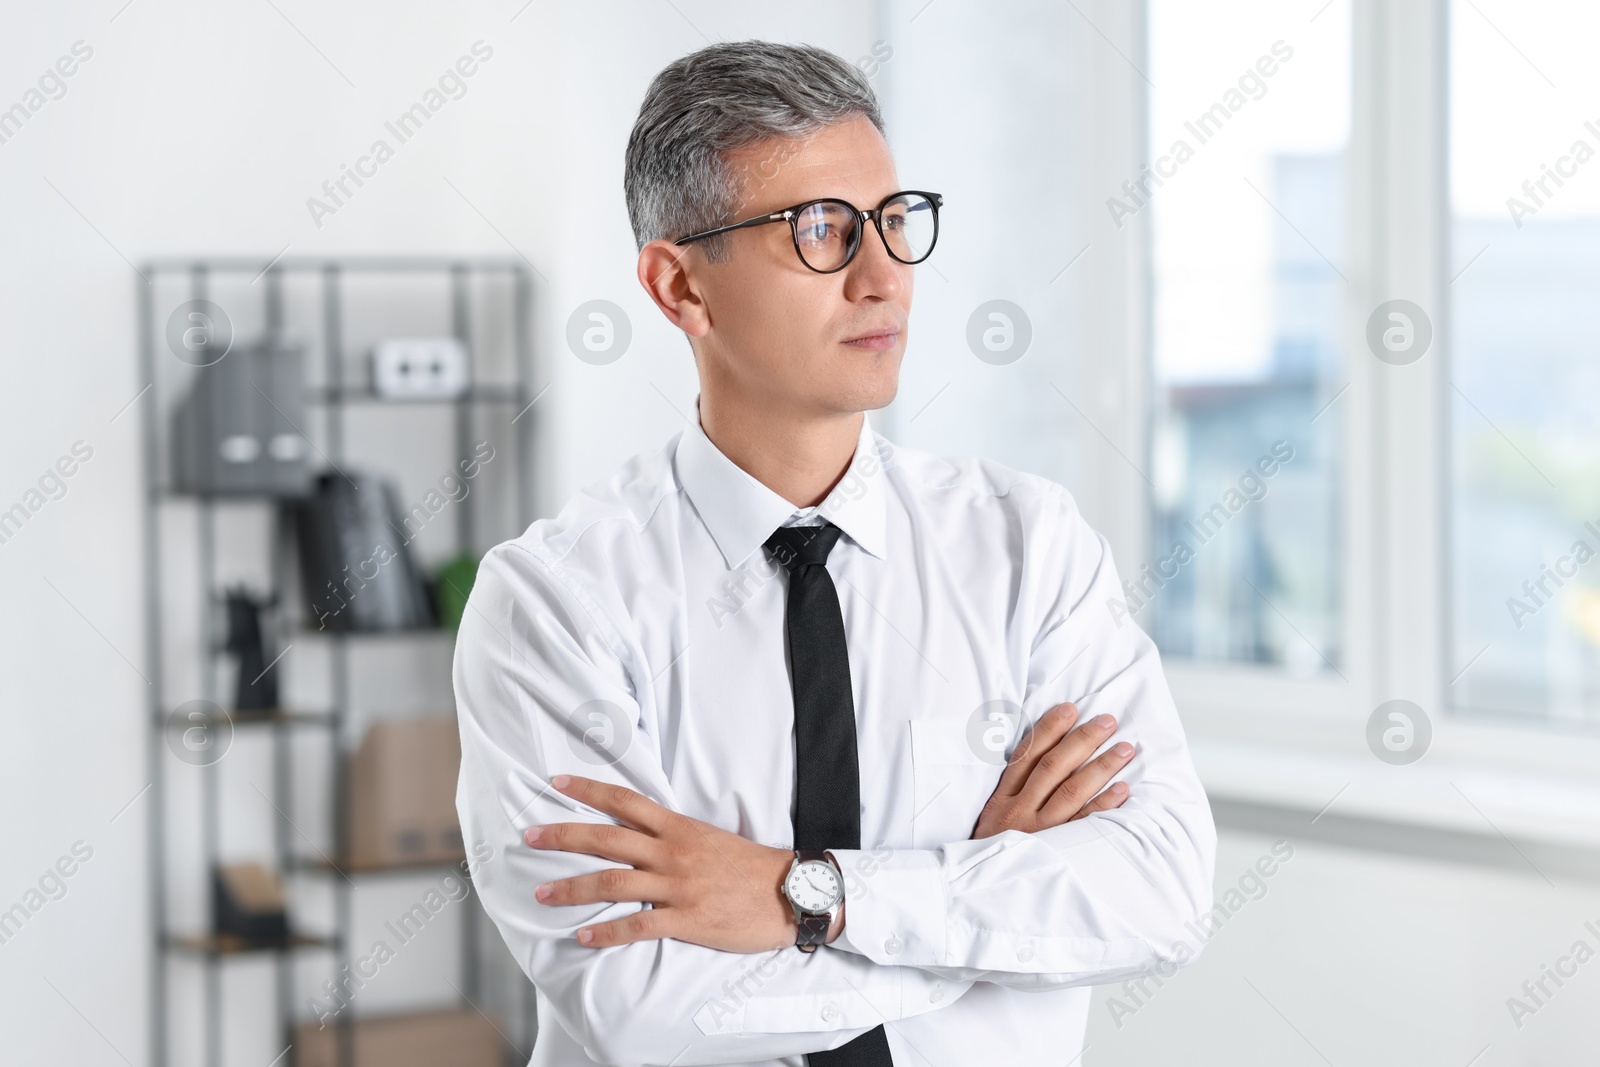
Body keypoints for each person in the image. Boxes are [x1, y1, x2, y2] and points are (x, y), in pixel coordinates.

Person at [454, 39, 1216, 1067]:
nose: (881, 275)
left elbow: (1159, 894)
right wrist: (986, 903)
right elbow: (637, 1004)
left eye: (895, 222)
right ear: (680, 287)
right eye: (819, 229)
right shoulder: (554, 602)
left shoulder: (1026, 546)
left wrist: (799, 892)